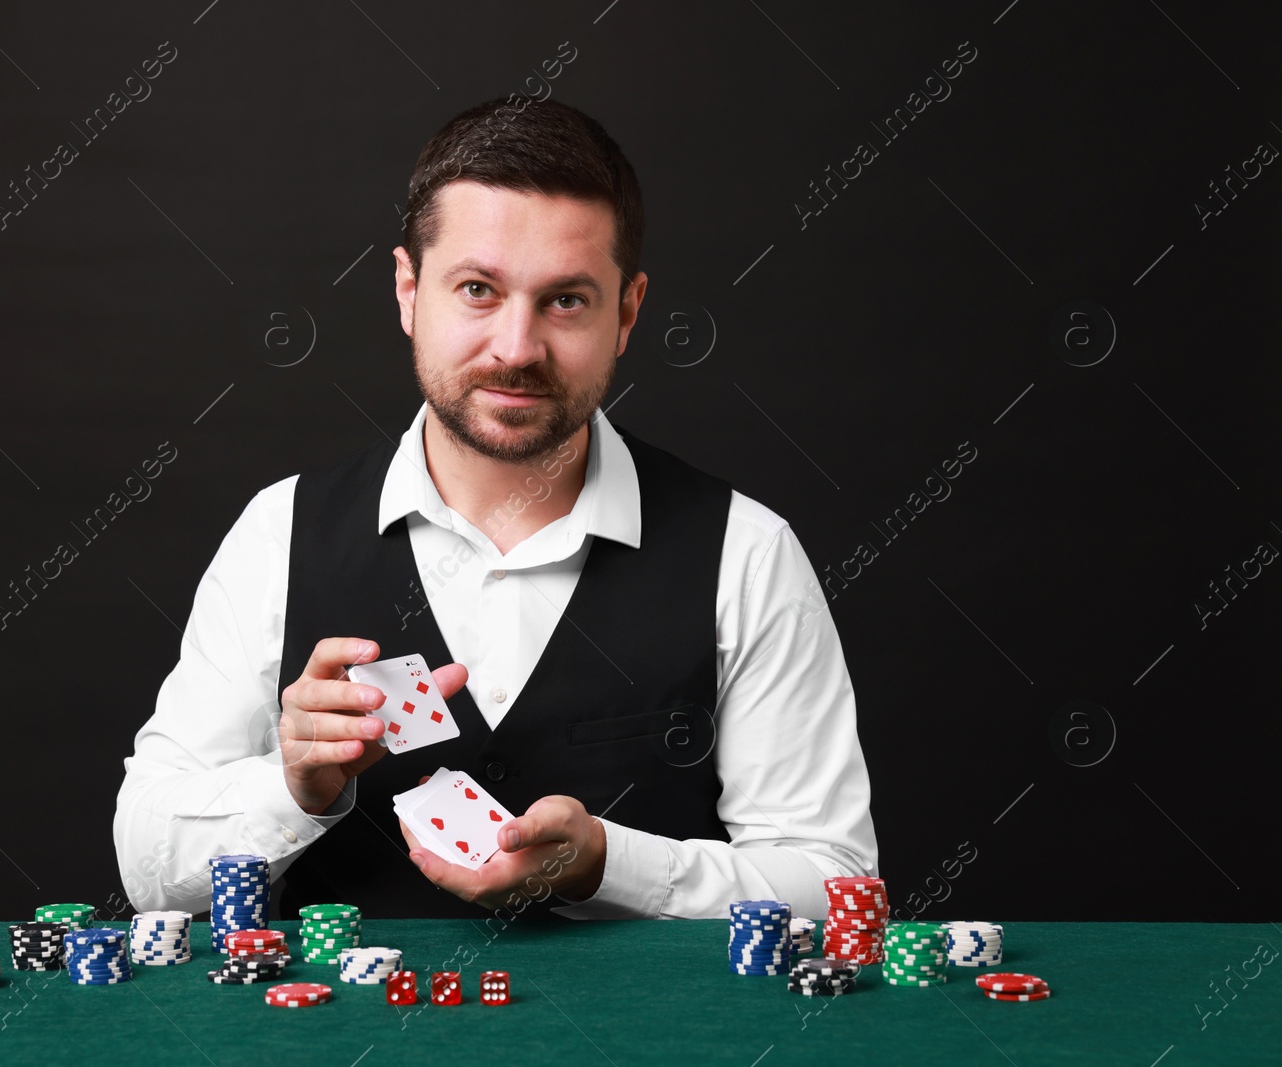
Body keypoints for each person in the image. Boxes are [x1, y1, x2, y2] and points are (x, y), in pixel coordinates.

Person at [114, 96, 877, 922]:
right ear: (408, 290)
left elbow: (837, 889)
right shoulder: (279, 533)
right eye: (477, 289)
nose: (517, 348)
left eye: (567, 300)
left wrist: (608, 865)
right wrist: (293, 787)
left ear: (627, 312)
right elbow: (148, 874)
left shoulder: (747, 552)